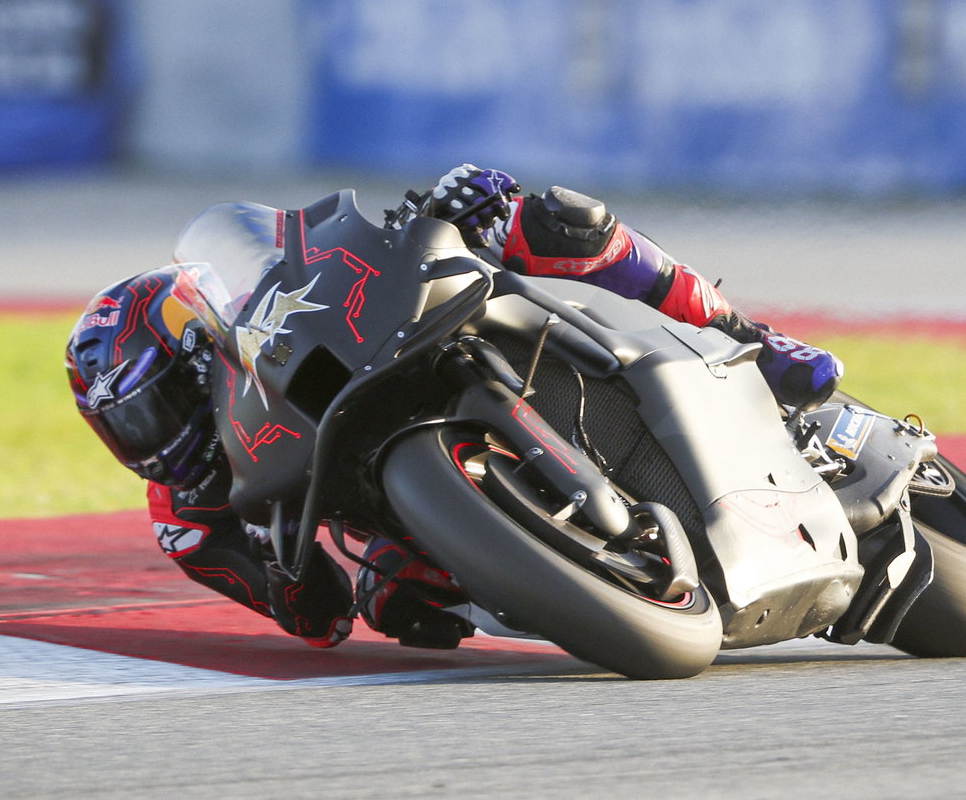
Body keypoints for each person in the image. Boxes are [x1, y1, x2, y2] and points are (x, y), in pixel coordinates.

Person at [65, 165, 843, 652]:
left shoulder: (254, 329)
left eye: (157, 405)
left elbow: (308, 260)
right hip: (386, 508)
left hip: (391, 350)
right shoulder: (188, 521)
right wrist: (292, 573)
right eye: (126, 430)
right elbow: (315, 620)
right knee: (398, 600)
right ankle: (564, 574)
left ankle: (753, 339)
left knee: (540, 216)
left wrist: (443, 212)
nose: (156, 440)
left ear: (199, 348)